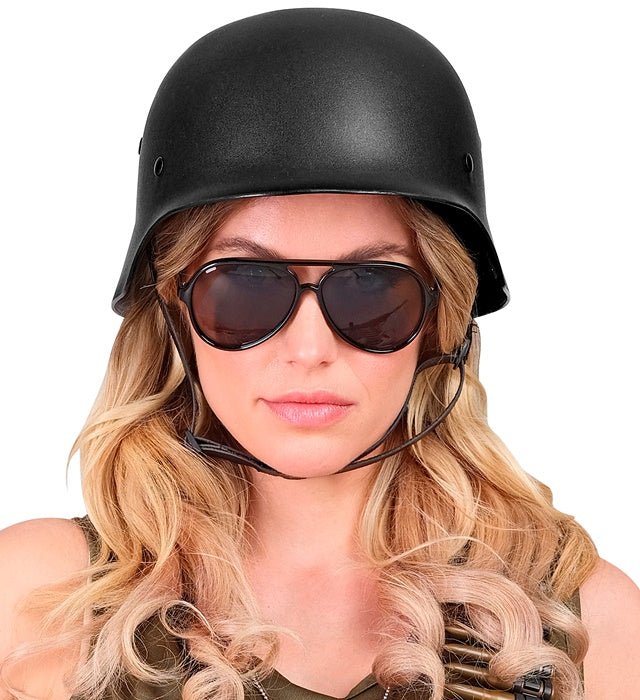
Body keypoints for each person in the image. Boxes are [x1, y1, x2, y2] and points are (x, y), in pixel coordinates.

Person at [1, 8, 638, 700]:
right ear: (174, 313)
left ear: (439, 322)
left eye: (371, 289)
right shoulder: (38, 603)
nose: (309, 349)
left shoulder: (585, 624)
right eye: (246, 287)